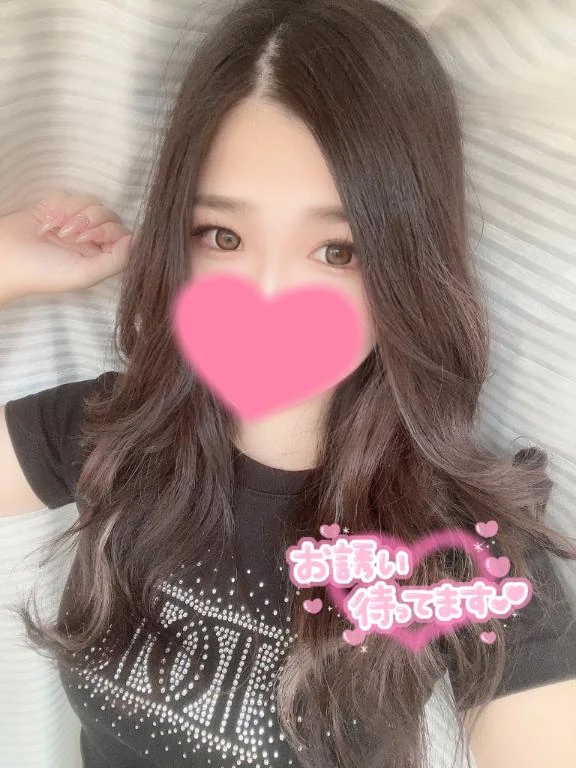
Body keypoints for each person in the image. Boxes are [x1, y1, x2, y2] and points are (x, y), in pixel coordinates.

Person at [1, 1, 575, 767]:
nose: (267, 294)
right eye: (223, 236)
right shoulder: (110, 432)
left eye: (337, 250)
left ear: (406, 266)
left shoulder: (460, 549)